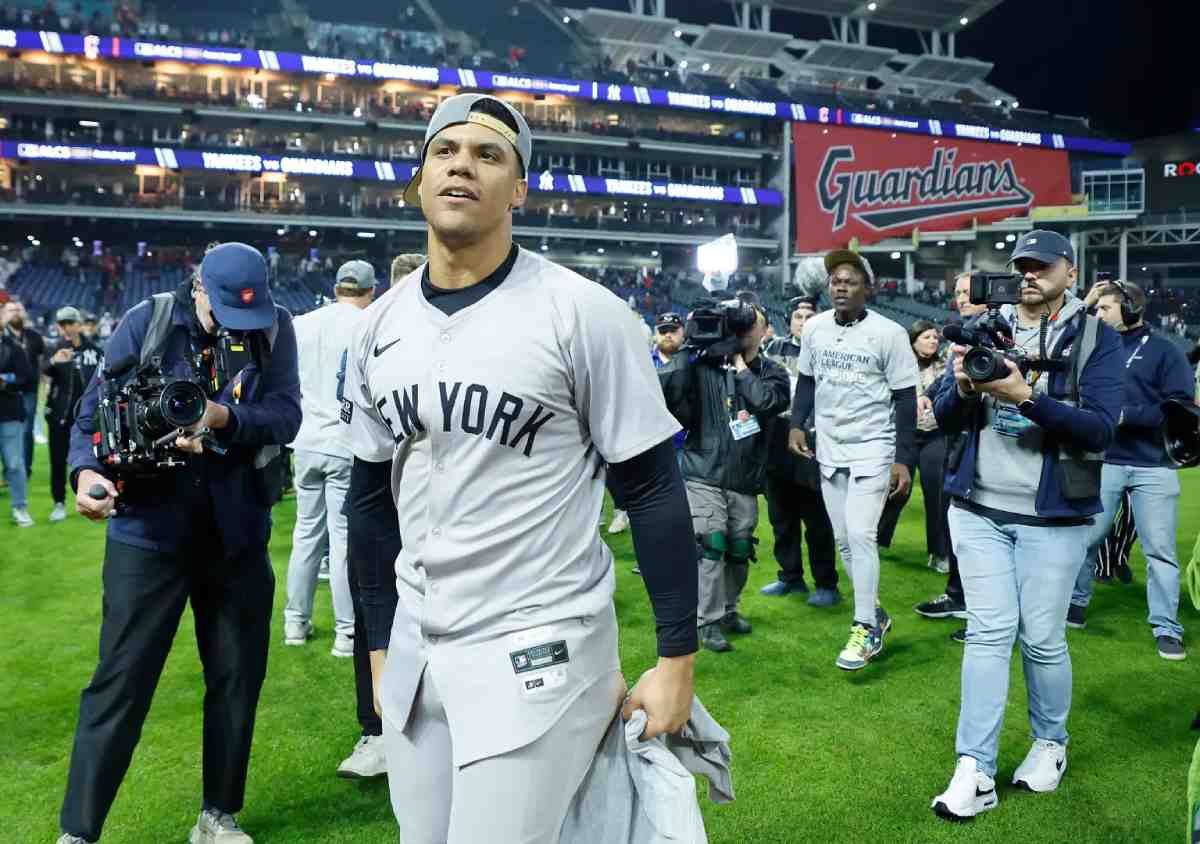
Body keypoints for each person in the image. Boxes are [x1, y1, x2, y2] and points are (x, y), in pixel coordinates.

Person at [339, 93, 697, 843]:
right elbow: (369, 500)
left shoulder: (584, 312)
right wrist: (377, 644)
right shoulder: (379, 324)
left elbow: (655, 488)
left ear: (519, 188)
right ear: (420, 176)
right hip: (415, 643)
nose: (461, 164)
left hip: (538, 642)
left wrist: (676, 657)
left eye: (488, 154)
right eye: (445, 151)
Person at [58, 242, 301, 844]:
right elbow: (91, 414)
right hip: (150, 532)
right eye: (223, 311)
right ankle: (79, 832)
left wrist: (222, 419)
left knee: (237, 678)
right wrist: (87, 475)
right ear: (198, 290)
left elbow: (287, 415)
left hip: (237, 534)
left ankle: (218, 816)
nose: (237, 325)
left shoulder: (277, 328)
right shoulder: (150, 319)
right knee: (121, 680)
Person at [929, 230, 1122, 821]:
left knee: (1041, 639)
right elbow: (942, 414)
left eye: (1042, 265)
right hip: (978, 507)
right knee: (988, 634)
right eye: (1022, 266)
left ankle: (1049, 742)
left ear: (1070, 271)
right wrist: (963, 385)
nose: (1030, 274)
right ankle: (974, 769)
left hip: (1053, 515)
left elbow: (1100, 431)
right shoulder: (984, 327)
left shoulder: (1096, 338)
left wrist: (1025, 397)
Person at [789, 251, 917, 671]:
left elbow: (904, 398)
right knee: (844, 539)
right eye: (835, 280)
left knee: (861, 535)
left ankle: (864, 626)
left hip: (873, 447)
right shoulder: (816, 329)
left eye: (850, 280)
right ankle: (875, 612)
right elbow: (807, 379)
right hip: (829, 446)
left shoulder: (891, 333)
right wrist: (796, 423)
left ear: (869, 288)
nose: (840, 286)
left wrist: (904, 459)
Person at [1067, 281, 1194, 660]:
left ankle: (1166, 626)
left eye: (1106, 308)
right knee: (1086, 538)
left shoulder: (1165, 351)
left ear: (1132, 310)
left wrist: (1128, 415)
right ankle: (1075, 604)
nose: (1099, 314)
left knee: (1160, 551)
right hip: (1104, 458)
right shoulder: (1095, 348)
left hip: (1153, 463)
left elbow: (1181, 407)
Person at [660, 302, 790, 652]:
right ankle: (708, 620)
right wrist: (689, 348)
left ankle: (729, 610)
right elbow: (666, 390)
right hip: (702, 471)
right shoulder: (700, 366)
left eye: (753, 326)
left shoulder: (772, 372)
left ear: (763, 332)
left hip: (745, 478)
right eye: (740, 326)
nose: (745, 332)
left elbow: (768, 403)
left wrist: (739, 366)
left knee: (739, 547)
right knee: (711, 543)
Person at [341, 255, 421, 781]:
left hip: (448, 510)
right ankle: (376, 730)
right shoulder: (371, 336)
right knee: (375, 606)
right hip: (377, 490)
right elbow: (368, 461)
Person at [284, 261, 376, 660]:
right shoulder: (368, 324)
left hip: (305, 440)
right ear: (370, 291)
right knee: (340, 542)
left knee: (306, 535)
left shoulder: (302, 323)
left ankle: (294, 623)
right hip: (344, 441)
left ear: (337, 287)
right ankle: (346, 633)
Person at [915, 272, 986, 641]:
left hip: (980, 441)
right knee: (959, 522)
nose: (960, 298)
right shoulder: (961, 332)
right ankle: (959, 595)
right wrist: (929, 391)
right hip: (956, 440)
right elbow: (947, 381)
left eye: (967, 292)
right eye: (957, 292)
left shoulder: (994, 331)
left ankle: (982, 611)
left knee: (977, 529)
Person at [760, 297, 839, 606]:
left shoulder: (831, 352)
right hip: (777, 440)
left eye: (809, 315)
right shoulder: (774, 350)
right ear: (789, 320)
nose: (803, 320)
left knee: (817, 518)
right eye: (798, 315)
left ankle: (826, 584)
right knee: (781, 516)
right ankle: (790, 578)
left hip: (815, 442)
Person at [876, 320, 951, 572]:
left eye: (935, 338)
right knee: (897, 489)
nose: (933, 341)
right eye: (927, 337)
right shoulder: (900, 364)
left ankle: (939, 553)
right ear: (914, 339)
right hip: (905, 435)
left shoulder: (944, 366)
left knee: (937, 493)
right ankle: (875, 540)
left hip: (934, 434)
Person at [43, 306, 102, 522]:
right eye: (61, 324)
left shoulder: (94, 351)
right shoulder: (55, 349)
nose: (66, 328)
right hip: (60, 416)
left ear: (78, 324)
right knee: (57, 461)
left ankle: (93, 499)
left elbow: (105, 379)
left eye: (69, 323)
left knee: (93, 459)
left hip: (88, 419)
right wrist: (53, 361)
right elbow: (42, 370)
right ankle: (59, 503)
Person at [2, 299, 45, 481]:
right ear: (5, 314)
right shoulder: (4, 337)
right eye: (11, 310)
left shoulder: (34, 336)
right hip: (6, 391)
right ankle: (9, 469)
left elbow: (41, 361)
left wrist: (44, 382)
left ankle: (25, 468)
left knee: (27, 430)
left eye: (19, 310)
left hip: (29, 388)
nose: (16, 313)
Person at [1, 304, 35, 526]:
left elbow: (27, 377)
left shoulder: (13, 347)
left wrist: (5, 381)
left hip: (9, 414)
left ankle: (20, 507)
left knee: (14, 464)